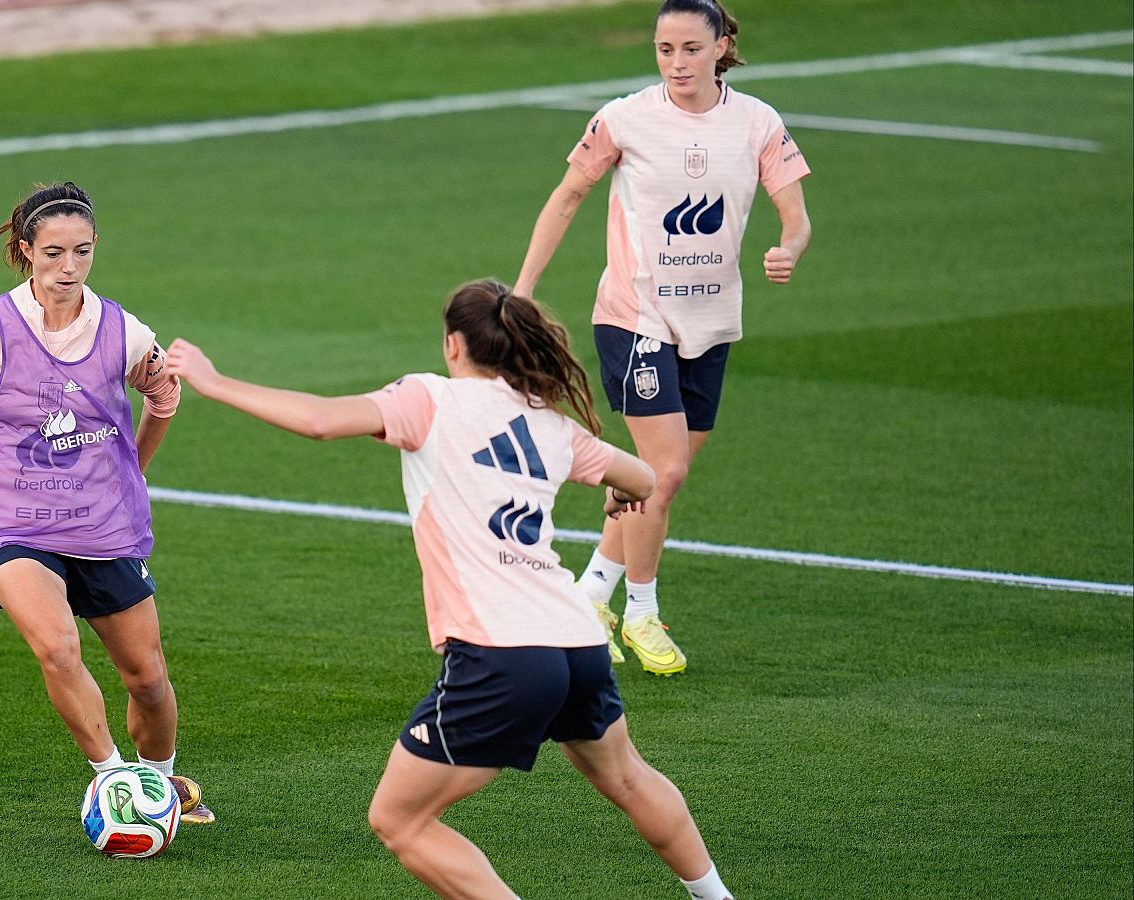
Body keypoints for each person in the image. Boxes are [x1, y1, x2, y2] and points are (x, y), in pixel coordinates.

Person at [166, 279, 733, 900]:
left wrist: (212, 381)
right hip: (577, 644)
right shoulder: (549, 425)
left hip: (501, 654)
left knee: (399, 820)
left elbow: (321, 422)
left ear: (454, 345)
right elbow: (646, 476)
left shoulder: (427, 400)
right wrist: (621, 488)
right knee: (627, 779)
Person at [513, 0, 812, 676]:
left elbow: (795, 215)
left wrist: (789, 247)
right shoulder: (625, 118)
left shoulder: (757, 122)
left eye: (689, 49)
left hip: (714, 322)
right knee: (665, 470)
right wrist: (524, 288)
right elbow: (567, 196)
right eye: (664, 49)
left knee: (657, 481)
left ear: (720, 47)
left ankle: (588, 595)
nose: (676, 63)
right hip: (635, 317)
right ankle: (643, 611)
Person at [0, 181, 213, 825]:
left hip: (103, 523)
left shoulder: (125, 333)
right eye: (52, 253)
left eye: (82, 252)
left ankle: (161, 784)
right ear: (26, 251)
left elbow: (165, 397)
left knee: (148, 678)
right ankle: (115, 782)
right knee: (57, 646)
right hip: (9, 521)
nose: (68, 268)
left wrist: (133, 470)